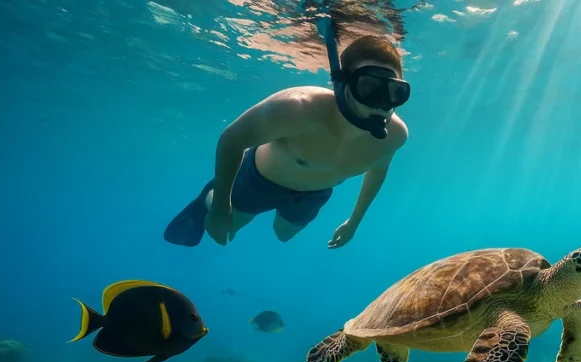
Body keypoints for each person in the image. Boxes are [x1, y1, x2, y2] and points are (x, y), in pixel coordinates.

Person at [164, 33, 409, 248]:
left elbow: (378, 169)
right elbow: (231, 139)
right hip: (259, 181)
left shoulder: (396, 136)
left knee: (284, 235)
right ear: (342, 83)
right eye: (368, 87)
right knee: (230, 227)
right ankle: (210, 195)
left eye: (394, 92)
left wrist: (353, 223)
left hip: (315, 194)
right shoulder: (297, 107)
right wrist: (219, 208)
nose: (381, 103)